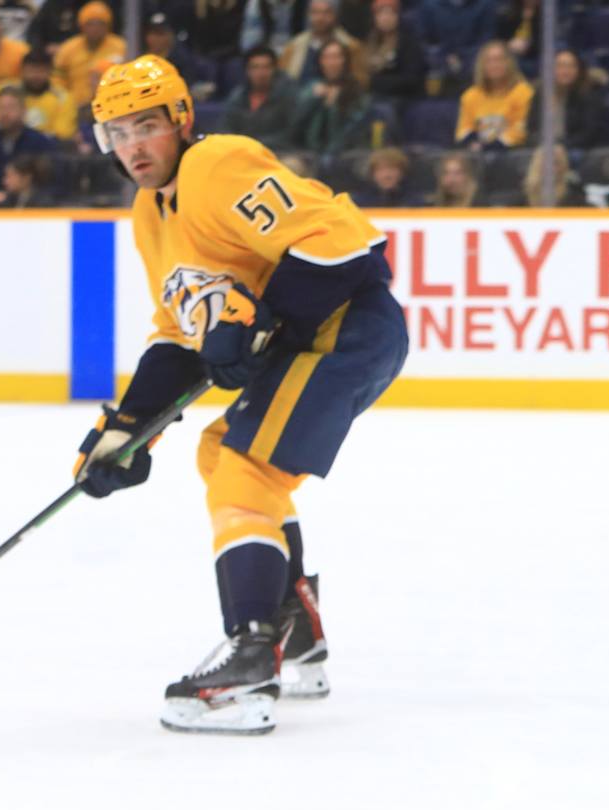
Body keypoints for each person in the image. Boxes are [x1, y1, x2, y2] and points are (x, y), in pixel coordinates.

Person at [77, 55, 408, 733]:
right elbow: (179, 333)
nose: (134, 145)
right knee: (222, 450)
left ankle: (253, 653)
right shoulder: (150, 212)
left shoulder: (215, 164)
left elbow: (349, 247)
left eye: (146, 125)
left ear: (181, 121)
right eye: (117, 132)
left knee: (245, 470)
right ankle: (295, 630)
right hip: (309, 342)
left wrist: (264, 321)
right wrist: (127, 429)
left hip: (342, 329)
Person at [0, 84, 54, 203]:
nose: (5, 113)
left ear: (23, 110)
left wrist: (28, 194)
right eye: (1, 108)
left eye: (11, 108)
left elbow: (50, 182)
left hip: (32, 206)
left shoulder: (40, 141)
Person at [0, 47, 77, 140]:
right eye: (31, 70)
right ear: (22, 70)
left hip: (44, 153)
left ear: (50, 72)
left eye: (41, 71)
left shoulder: (62, 98)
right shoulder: (3, 90)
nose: (36, 76)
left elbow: (63, 136)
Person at [292, 38, 371, 155]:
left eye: (336, 57)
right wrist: (314, 100)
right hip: (308, 153)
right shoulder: (311, 89)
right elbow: (294, 124)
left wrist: (336, 106)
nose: (331, 62)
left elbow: (355, 130)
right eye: (326, 57)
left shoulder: (356, 90)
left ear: (345, 61)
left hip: (345, 154)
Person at [525, 48, 609, 149]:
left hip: (576, 150)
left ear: (579, 69)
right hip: (543, 149)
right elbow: (531, 128)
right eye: (560, 66)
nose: (565, 71)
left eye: (571, 66)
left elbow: (588, 134)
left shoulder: (589, 95)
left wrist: (561, 146)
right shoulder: (541, 94)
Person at [454, 38, 531, 147]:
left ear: (509, 62)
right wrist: (473, 142)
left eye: (499, 59)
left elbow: (520, 129)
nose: (494, 65)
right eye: (489, 61)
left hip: (513, 154)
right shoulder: (470, 95)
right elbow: (463, 130)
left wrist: (495, 145)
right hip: (478, 155)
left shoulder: (523, 92)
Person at [224, 44, 300, 149]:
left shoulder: (288, 96)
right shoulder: (237, 97)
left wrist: (255, 144)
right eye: (255, 67)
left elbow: (291, 134)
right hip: (242, 153)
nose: (261, 73)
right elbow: (226, 129)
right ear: (247, 71)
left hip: (278, 154)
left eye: (266, 67)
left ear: (275, 70)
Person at [53, 1, 126, 108]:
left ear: (108, 26)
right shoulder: (68, 48)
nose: (95, 29)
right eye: (90, 24)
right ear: (81, 26)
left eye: (100, 24)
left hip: (111, 104)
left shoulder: (120, 47)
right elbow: (57, 80)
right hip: (74, 107)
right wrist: (66, 103)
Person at [279, 0, 366, 87]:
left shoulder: (351, 47)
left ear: (335, 15)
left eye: (326, 12)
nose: (320, 18)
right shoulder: (293, 46)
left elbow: (360, 82)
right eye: (315, 12)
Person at [365, 0, 426, 102]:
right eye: (381, 14)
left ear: (397, 16)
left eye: (390, 13)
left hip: (403, 98)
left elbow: (412, 80)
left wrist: (377, 82)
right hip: (374, 96)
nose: (385, 18)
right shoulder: (371, 42)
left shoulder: (408, 43)